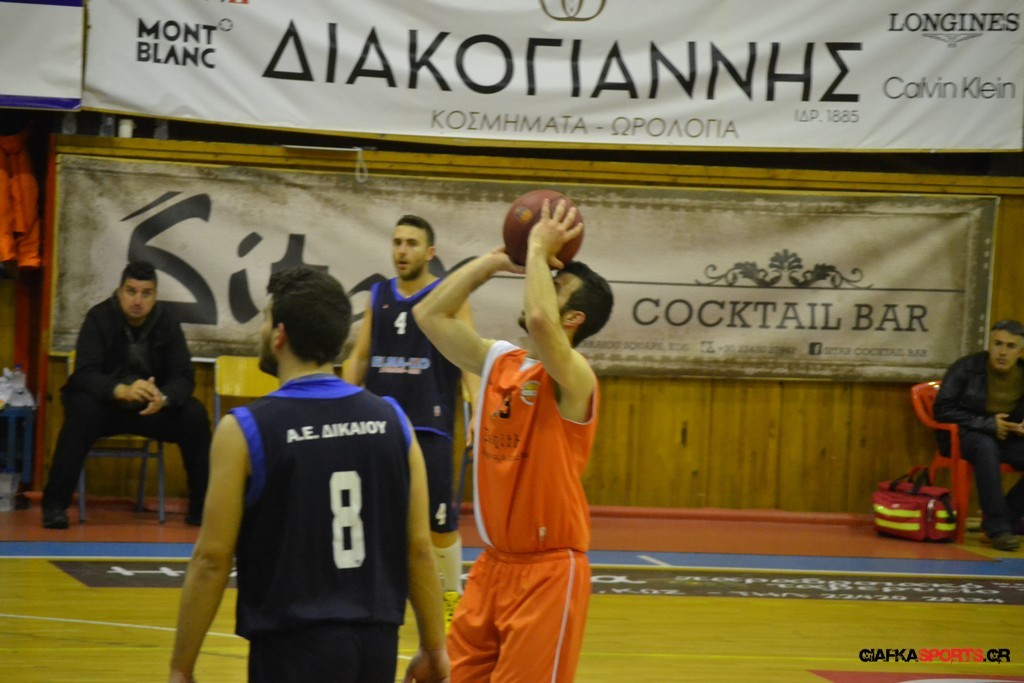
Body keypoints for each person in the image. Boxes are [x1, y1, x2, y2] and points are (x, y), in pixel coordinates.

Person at [169, 267, 450, 683]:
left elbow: (211, 560)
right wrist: (434, 647)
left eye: (266, 319)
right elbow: (419, 549)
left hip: (292, 647)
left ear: (279, 335)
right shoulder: (394, 420)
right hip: (375, 645)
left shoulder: (244, 429)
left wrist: (181, 667)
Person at [413, 199, 614, 681]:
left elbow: (542, 322)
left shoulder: (576, 379)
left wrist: (540, 248)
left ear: (574, 318)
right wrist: (494, 261)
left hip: (548, 572)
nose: (538, 282)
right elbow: (428, 314)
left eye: (554, 285)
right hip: (492, 566)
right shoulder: (500, 361)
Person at [343, 214, 479, 628]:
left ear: (430, 252)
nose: (402, 251)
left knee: (439, 523)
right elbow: (360, 356)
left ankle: (452, 597)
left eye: (412, 244)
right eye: (397, 242)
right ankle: (378, 596)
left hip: (429, 424)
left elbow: (471, 360)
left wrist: (478, 411)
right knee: (376, 517)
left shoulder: (449, 297)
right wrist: (339, 402)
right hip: (379, 425)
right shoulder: (378, 295)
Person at [41, 261, 210, 529]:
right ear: (120, 291)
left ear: (155, 296)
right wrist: (119, 390)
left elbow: (184, 376)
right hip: (106, 407)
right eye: (131, 291)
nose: (137, 301)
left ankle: (202, 510)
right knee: (81, 410)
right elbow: (84, 373)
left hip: (149, 409)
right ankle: (54, 506)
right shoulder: (99, 318)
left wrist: (163, 398)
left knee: (194, 414)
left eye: (146, 293)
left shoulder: (167, 322)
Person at [934, 319, 1024, 552]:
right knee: (986, 447)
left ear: (1020, 351)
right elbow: (942, 409)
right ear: (989, 345)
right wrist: (987, 424)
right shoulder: (966, 367)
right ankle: (999, 530)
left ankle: (1008, 515)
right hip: (967, 435)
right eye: (998, 344)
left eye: (1010, 346)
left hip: (1008, 437)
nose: (1002, 352)